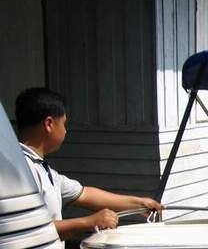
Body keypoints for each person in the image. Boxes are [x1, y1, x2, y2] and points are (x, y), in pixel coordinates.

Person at [14, 87, 163, 239]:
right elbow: (27, 229)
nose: (65, 131)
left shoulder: (43, 169)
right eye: (64, 124)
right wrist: (88, 222)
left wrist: (139, 204)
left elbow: (85, 194)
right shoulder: (20, 172)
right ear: (49, 124)